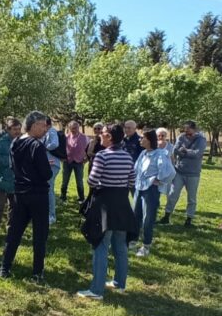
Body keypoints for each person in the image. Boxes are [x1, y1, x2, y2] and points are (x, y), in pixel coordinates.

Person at [77, 123, 137, 300]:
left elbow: (92, 181)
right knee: (120, 245)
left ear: (109, 137)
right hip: (122, 204)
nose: (99, 136)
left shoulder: (102, 156)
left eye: (102, 133)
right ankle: (119, 283)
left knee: (100, 245)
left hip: (105, 204)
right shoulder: (127, 157)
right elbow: (132, 181)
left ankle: (96, 290)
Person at [0, 111, 52, 283]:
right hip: (37, 194)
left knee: (14, 231)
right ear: (33, 125)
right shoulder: (36, 145)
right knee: (40, 234)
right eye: (43, 125)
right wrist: (44, 168)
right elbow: (46, 173)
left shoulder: (15, 142)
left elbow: (14, 166)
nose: (45, 129)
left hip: (19, 193)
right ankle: (37, 273)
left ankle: (4, 267)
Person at [130, 129, 176, 257]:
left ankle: (146, 245)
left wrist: (158, 180)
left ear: (149, 140)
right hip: (139, 187)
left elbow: (171, 172)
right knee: (136, 214)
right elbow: (136, 169)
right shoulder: (143, 153)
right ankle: (133, 240)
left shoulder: (160, 154)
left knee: (148, 218)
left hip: (151, 190)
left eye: (142, 138)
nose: (140, 140)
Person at [160, 121, 207, 227]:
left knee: (191, 197)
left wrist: (185, 151)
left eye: (189, 131)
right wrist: (186, 152)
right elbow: (175, 150)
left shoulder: (201, 139)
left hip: (193, 173)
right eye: (185, 130)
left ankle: (189, 219)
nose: (186, 133)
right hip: (179, 171)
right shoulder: (181, 137)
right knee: (173, 194)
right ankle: (167, 216)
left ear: (195, 130)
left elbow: (197, 153)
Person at [0, 118, 21, 238]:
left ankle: (11, 230)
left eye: (19, 129)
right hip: (4, 181)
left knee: (14, 208)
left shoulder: (23, 141)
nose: (17, 131)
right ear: (8, 130)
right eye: (14, 129)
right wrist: (11, 160)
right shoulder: (2, 143)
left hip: (17, 182)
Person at [61, 121, 89, 204]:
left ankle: (81, 198)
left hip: (79, 162)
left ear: (78, 127)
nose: (74, 130)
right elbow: (62, 149)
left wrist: (86, 159)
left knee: (79, 181)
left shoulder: (85, 138)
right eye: (72, 128)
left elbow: (89, 149)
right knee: (65, 181)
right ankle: (63, 197)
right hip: (67, 162)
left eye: (75, 128)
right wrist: (62, 158)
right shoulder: (66, 137)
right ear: (69, 128)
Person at [43, 117, 62, 224]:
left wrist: (43, 147)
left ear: (47, 124)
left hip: (53, 164)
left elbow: (55, 144)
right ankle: (47, 213)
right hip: (49, 163)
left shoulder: (52, 131)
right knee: (48, 189)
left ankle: (52, 215)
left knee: (49, 189)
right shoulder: (48, 132)